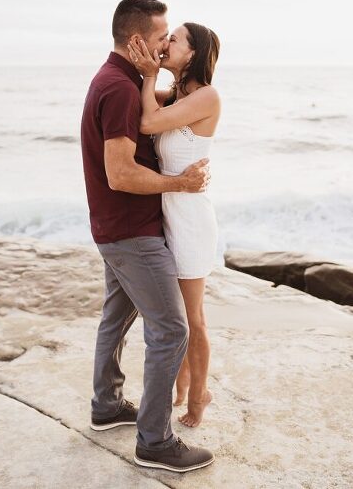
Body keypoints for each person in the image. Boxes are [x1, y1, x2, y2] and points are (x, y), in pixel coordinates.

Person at [81, 0, 214, 472]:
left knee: (115, 319)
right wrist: (180, 183)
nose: (163, 47)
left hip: (118, 227)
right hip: (132, 232)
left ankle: (106, 406)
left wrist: (149, 78)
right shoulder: (119, 88)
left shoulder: (118, 80)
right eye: (162, 38)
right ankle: (155, 441)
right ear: (137, 39)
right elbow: (121, 174)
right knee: (172, 328)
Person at [128, 21, 221, 427]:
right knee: (177, 316)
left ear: (194, 53)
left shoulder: (207, 97)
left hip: (191, 222)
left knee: (193, 318)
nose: (166, 44)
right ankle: (183, 384)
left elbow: (148, 124)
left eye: (175, 39)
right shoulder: (172, 96)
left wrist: (149, 73)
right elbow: (141, 109)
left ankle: (199, 397)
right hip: (168, 215)